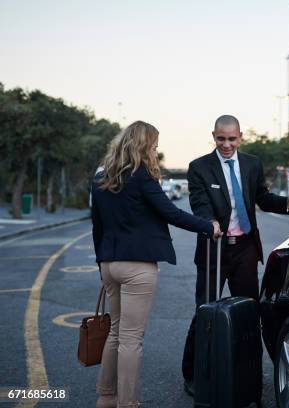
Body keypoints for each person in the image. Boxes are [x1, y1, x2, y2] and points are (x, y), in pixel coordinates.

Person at [91, 121, 221, 408]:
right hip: (137, 266)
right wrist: (208, 226)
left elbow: (97, 225)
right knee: (130, 339)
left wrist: (102, 262)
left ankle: (106, 397)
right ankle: (128, 403)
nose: (154, 151)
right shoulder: (140, 177)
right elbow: (171, 213)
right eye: (153, 146)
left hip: (109, 263)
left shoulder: (101, 177)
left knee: (115, 332)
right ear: (143, 145)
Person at [181, 114, 289, 395]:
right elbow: (199, 204)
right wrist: (209, 222)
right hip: (215, 247)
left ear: (240, 136)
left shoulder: (251, 164)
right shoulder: (199, 167)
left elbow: (262, 198)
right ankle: (193, 374)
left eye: (232, 139)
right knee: (205, 312)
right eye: (221, 139)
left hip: (245, 248)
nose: (226, 144)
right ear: (213, 136)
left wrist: (288, 202)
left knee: (249, 312)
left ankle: (247, 374)